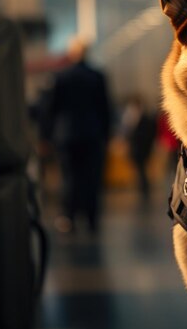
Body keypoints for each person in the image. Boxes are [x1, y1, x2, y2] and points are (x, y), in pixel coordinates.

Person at [41, 37, 111, 234]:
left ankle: (69, 217)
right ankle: (91, 219)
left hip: (66, 135)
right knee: (92, 178)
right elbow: (105, 109)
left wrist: (46, 136)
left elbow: (50, 109)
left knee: (69, 177)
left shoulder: (60, 77)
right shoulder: (97, 76)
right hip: (92, 134)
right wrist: (106, 136)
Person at [121, 95, 156, 206]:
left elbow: (149, 134)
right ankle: (142, 186)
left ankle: (144, 188)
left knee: (142, 169)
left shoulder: (145, 118)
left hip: (142, 149)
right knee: (140, 169)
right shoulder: (132, 117)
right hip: (137, 148)